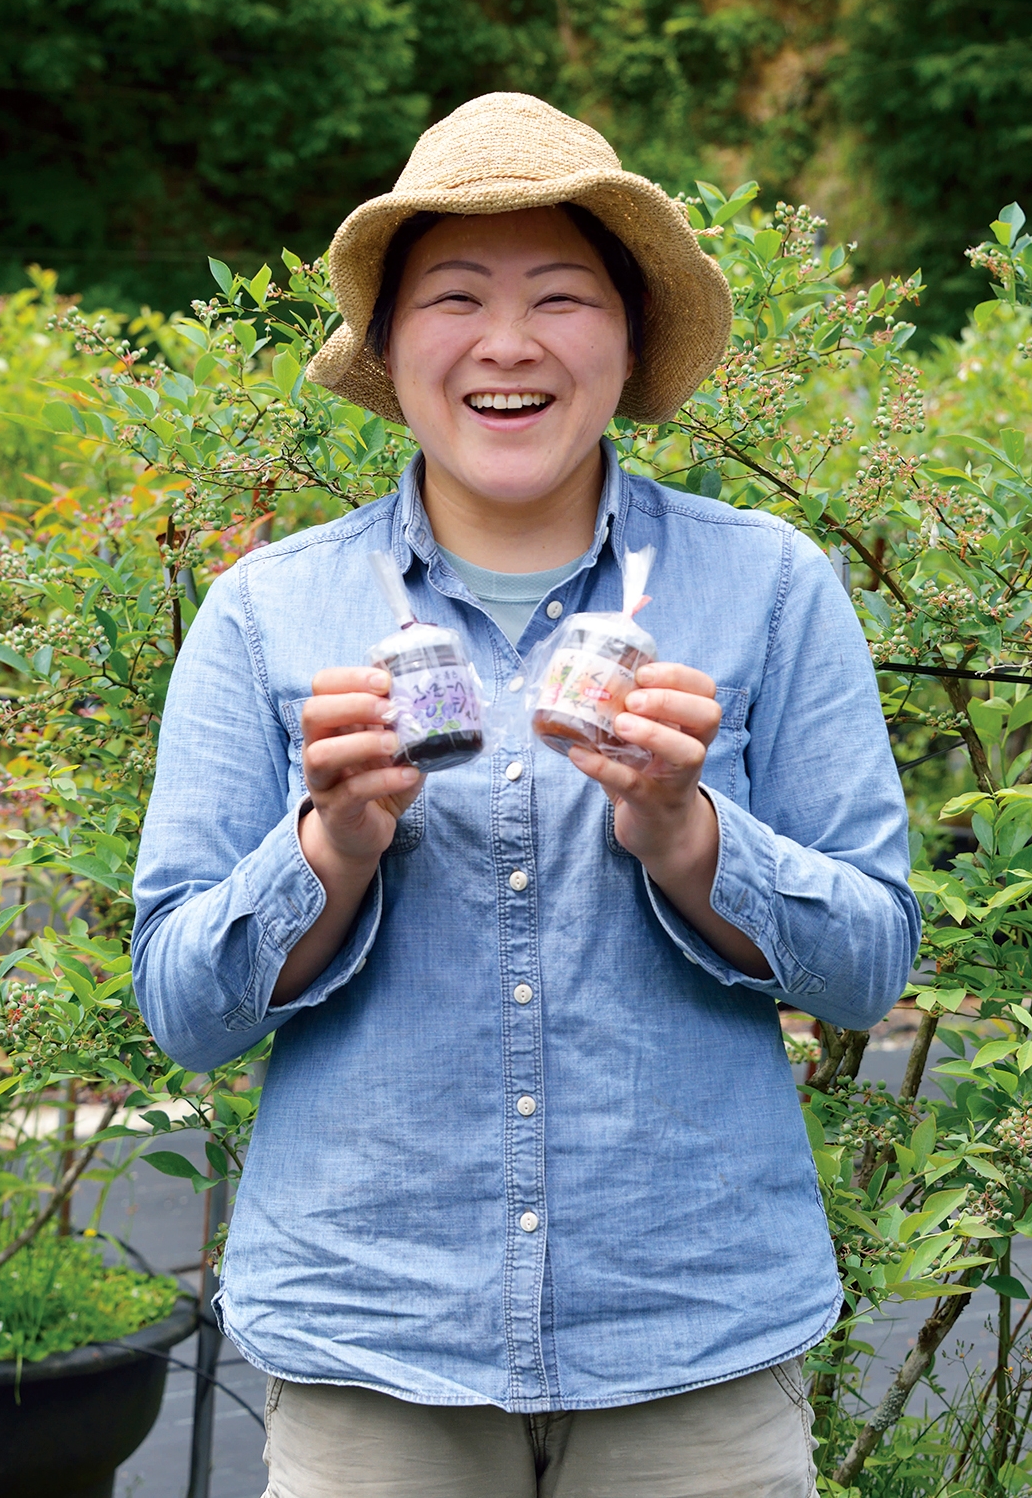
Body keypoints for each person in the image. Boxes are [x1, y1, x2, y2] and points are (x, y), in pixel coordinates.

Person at [133, 92, 920, 1498]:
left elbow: (867, 964)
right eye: (453, 298)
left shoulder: (767, 586)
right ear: (387, 347)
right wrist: (331, 842)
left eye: (561, 295)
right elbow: (183, 1008)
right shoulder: (267, 611)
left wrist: (692, 836)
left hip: (694, 1342)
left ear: (625, 342)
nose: (507, 343)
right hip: (373, 1346)